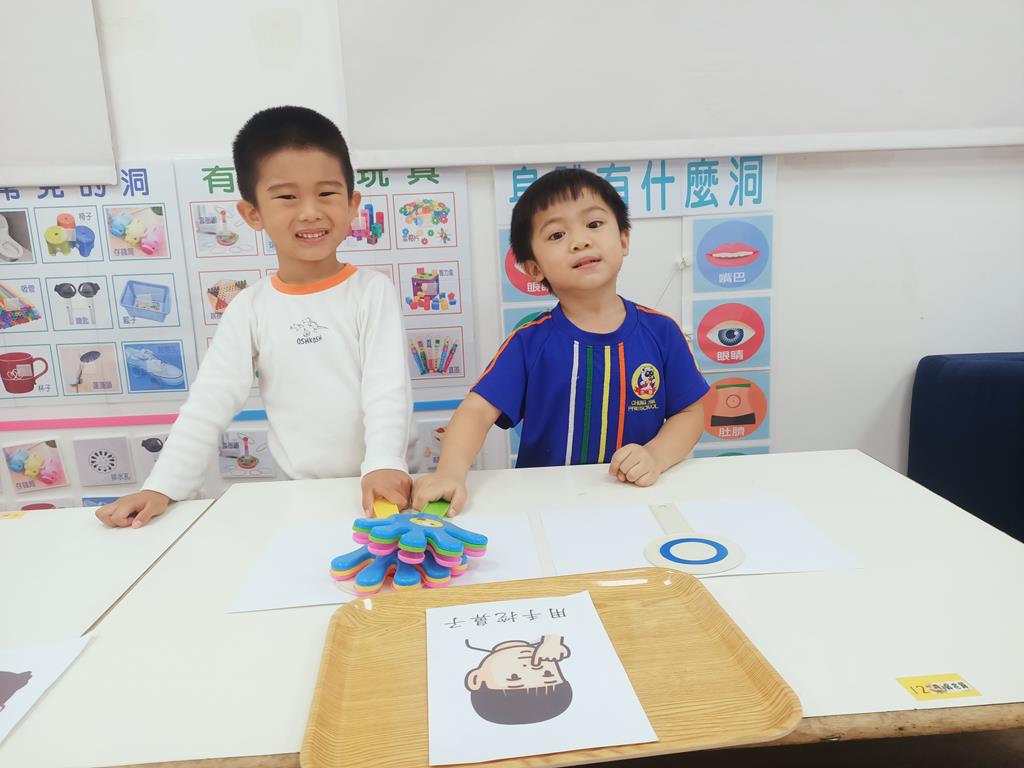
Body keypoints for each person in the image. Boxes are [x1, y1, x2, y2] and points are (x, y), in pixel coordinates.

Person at [97, 106, 412, 528]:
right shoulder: (250, 307)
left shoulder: (372, 291)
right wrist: (163, 486)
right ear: (253, 214)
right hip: (299, 495)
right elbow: (210, 401)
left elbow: (387, 388)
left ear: (353, 204)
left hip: (382, 489)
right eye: (287, 197)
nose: (310, 212)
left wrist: (385, 462)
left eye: (326, 193)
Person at [413, 168, 707, 515]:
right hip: (547, 510)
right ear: (533, 269)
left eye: (594, 224)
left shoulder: (662, 332)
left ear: (624, 240)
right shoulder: (528, 343)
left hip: (638, 503)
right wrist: (449, 473)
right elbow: (476, 411)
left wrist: (655, 457)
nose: (580, 241)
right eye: (556, 234)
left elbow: (691, 413)